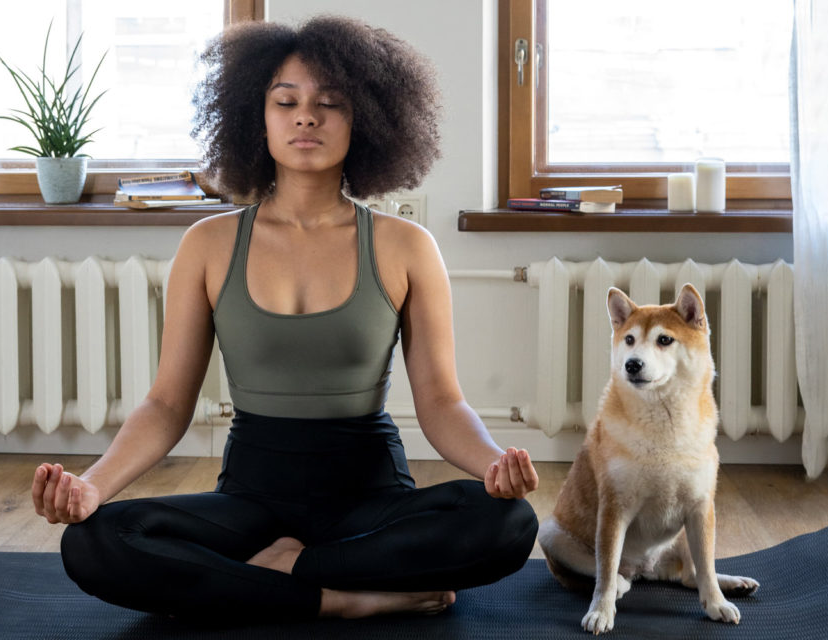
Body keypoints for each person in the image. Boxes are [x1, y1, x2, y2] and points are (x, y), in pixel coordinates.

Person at [31, 15, 540, 624]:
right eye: (286, 102)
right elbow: (167, 404)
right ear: (256, 116)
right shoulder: (209, 244)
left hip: (370, 497)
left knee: (509, 522)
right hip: (251, 498)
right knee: (94, 540)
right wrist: (92, 486)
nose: (307, 117)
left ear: (368, 120)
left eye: (330, 103)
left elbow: (440, 402)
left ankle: (277, 576)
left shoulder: (406, 246)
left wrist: (491, 466)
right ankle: (339, 596)